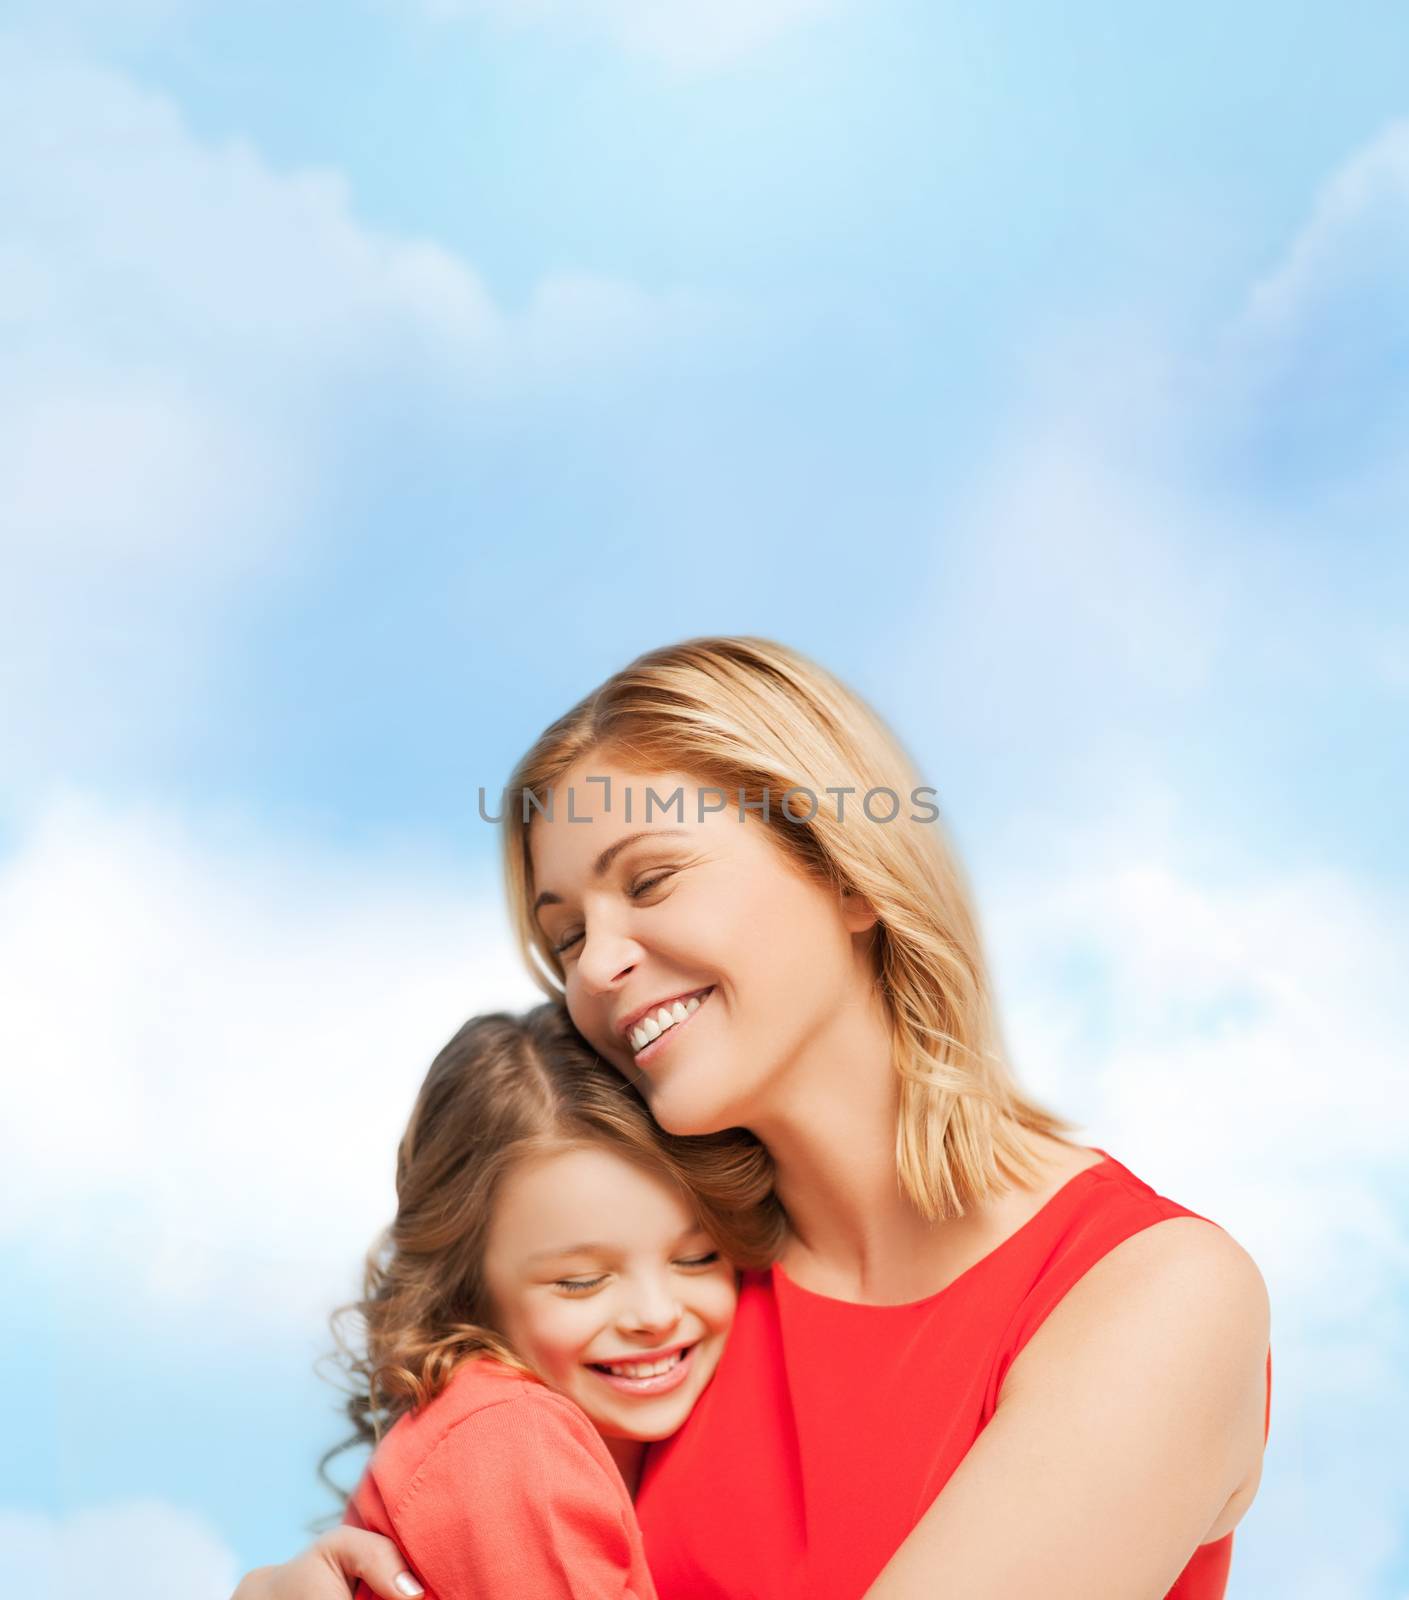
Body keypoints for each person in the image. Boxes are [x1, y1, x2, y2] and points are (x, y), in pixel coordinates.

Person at [234, 635, 1272, 1600]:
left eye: (651, 879)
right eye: (564, 939)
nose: (595, 968)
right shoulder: (676, 1303)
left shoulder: (1151, 1296)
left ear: (845, 870)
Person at [320, 1002, 782, 1600]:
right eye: (582, 1280)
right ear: (467, 1286)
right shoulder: (510, 1442)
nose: (656, 1313)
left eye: (697, 1258)